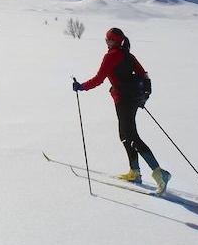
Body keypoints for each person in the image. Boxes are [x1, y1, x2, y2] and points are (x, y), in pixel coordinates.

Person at [72, 28, 172, 195]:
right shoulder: (128, 55)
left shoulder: (111, 55)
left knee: (131, 137)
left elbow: (99, 79)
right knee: (125, 135)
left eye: (107, 38)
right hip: (133, 100)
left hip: (123, 100)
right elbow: (144, 75)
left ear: (112, 41)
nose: (105, 41)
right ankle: (135, 172)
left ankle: (160, 173)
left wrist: (81, 86)